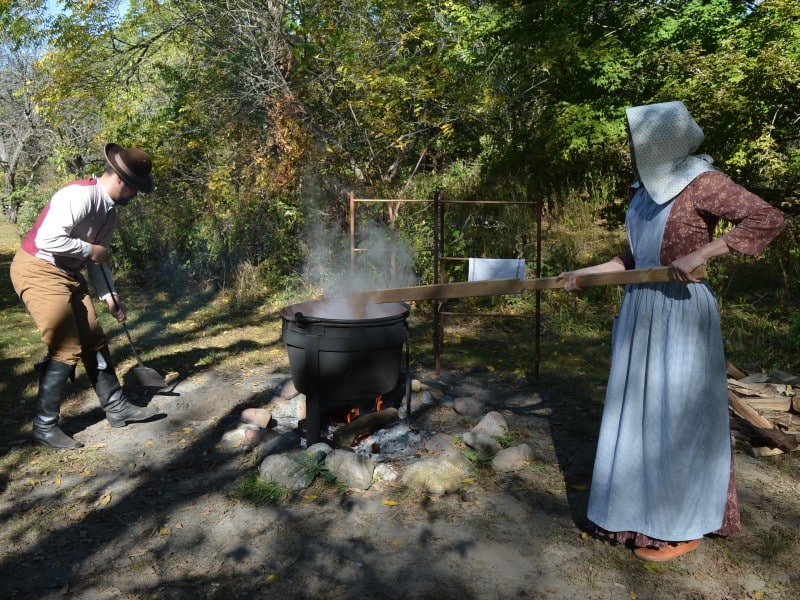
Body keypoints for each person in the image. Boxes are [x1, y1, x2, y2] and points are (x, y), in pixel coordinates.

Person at [559, 101, 785, 562]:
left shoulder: (704, 182)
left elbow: (768, 218)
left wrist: (706, 253)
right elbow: (634, 258)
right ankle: (634, 513)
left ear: (665, 143)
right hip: (641, 308)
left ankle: (680, 523)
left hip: (681, 313)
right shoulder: (642, 191)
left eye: (639, 139)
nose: (632, 146)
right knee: (638, 412)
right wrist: (587, 272)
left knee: (677, 417)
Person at [10, 143, 161, 449]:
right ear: (121, 180)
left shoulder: (109, 214)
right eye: (134, 190)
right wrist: (91, 249)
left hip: (68, 274)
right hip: (37, 269)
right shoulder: (78, 196)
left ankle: (117, 408)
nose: (134, 196)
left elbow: (98, 262)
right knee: (66, 347)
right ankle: (43, 426)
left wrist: (110, 297)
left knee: (94, 339)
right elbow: (47, 238)